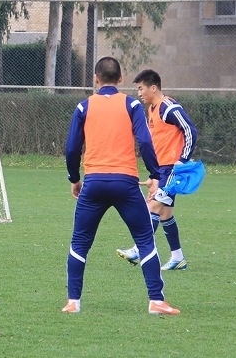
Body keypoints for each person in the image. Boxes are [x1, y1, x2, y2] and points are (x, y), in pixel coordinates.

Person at [62, 57, 179, 315]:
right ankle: (156, 301)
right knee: (145, 239)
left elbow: (71, 148)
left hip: (93, 183)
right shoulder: (132, 104)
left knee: (80, 241)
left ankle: (73, 302)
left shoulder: (83, 106)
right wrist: (154, 173)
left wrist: (74, 179)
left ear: (96, 79)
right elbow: (145, 142)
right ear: (121, 79)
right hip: (126, 183)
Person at [116, 69, 198, 270]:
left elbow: (190, 130)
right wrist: (154, 174)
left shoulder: (168, 107)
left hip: (172, 169)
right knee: (165, 213)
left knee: (152, 207)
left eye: (141, 88)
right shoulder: (152, 109)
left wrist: (182, 160)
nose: (139, 93)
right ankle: (178, 258)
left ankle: (138, 249)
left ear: (153, 88)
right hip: (162, 170)